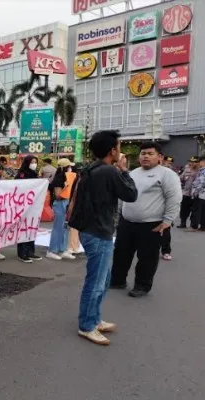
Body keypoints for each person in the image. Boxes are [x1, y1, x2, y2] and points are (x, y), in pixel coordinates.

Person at [69, 130, 138, 346]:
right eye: (119, 147)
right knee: (97, 282)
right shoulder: (109, 171)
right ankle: (87, 325)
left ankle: (94, 319)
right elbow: (131, 195)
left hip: (91, 230)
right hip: (99, 232)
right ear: (112, 150)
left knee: (102, 280)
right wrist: (125, 171)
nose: (121, 151)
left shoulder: (91, 169)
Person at [110, 142, 182, 298]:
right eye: (143, 153)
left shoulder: (167, 174)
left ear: (160, 157)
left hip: (152, 224)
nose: (146, 156)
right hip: (127, 222)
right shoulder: (134, 173)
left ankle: (142, 286)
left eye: (150, 153)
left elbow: (174, 198)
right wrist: (119, 215)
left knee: (147, 257)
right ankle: (117, 280)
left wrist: (167, 221)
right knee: (121, 253)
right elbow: (125, 194)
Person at [47, 158, 76, 261]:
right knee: (58, 228)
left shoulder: (65, 177)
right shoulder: (59, 178)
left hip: (66, 203)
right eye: (69, 166)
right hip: (60, 204)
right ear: (64, 167)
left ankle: (62, 249)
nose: (70, 168)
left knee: (64, 227)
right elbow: (58, 195)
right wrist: (65, 187)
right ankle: (52, 250)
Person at [15, 155, 43, 263]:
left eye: (35, 162)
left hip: (34, 206)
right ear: (27, 163)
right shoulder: (21, 175)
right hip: (23, 206)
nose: (34, 164)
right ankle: (22, 253)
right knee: (23, 229)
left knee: (32, 228)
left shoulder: (35, 175)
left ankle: (31, 252)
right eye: (32, 162)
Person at [178, 156, 200, 229]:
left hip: (196, 194)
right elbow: (181, 178)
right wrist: (184, 175)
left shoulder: (200, 171)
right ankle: (183, 223)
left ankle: (193, 224)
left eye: (194, 162)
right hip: (186, 193)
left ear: (198, 163)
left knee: (195, 210)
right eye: (191, 161)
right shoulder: (187, 169)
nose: (191, 163)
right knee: (184, 209)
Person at [189, 156, 205, 232]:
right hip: (203, 194)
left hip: (199, 193)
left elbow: (201, 182)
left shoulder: (202, 171)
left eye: (200, 161)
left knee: (196, 210)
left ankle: (194, 226)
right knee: (203, 211)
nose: (199, 163)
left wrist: (195, 191)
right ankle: (203, 226)